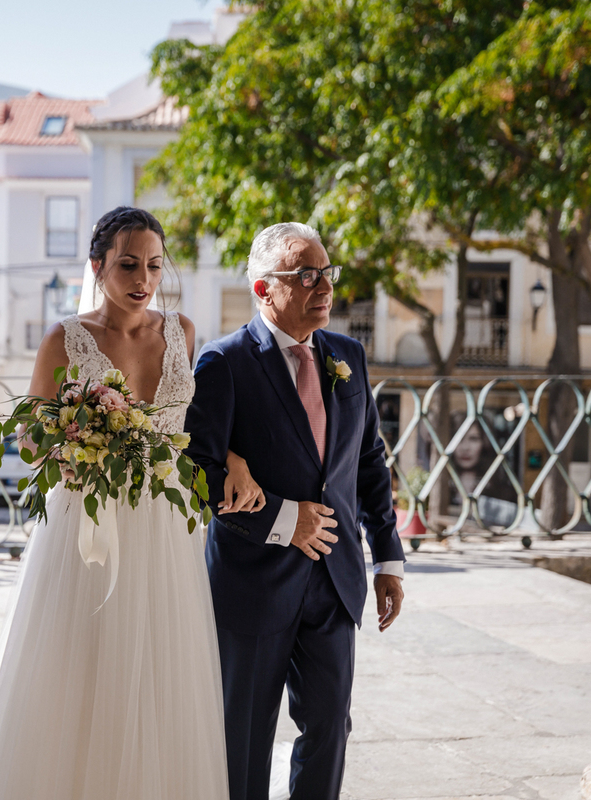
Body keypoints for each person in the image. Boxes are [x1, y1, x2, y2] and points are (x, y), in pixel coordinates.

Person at [0, 207, 237, 798]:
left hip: (167, 519)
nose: (142, 279)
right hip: (90, 517)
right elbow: (30, 437)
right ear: (97, 267)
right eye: (128, 265)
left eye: (153, 265)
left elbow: (194, 428)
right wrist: (75, 443)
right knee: (78, 658)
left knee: (163, 663)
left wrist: (240, 459)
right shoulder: (65, 338)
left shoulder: (183, 332)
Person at [184, 222, 407, 800]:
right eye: (306, 275)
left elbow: (368, 463)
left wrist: (387, 558)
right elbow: (198, 474)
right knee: (245, 740)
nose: (324, 286)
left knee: (331, 729)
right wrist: (285, 520)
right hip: (251, 584)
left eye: (327, 272)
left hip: (334, 580)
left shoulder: (348, 356)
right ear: (264, 290)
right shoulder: (224, 362)